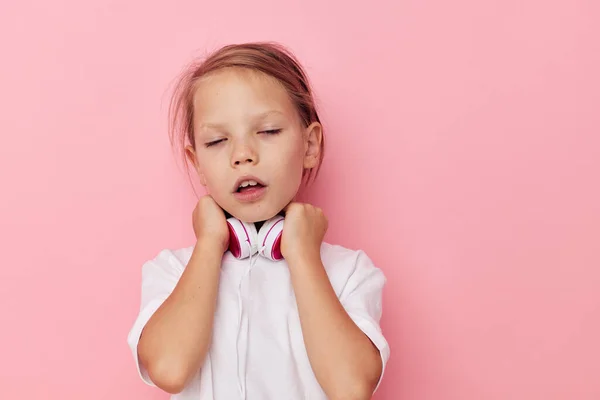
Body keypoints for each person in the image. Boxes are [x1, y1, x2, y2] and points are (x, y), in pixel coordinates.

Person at [127, 42, 390, 400]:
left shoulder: (349, 272)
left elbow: (351, 387)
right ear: (197, 164)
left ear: (310, 145)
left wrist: (303, 255)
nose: (243, 155)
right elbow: (169, 370)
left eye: (267, 132)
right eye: (218, 140)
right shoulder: (172, 271)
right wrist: (208, 245)